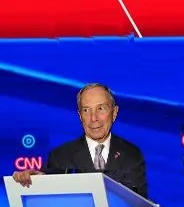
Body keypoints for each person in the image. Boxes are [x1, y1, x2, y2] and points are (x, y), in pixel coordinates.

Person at [12, 83, 149, 198]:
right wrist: (38, 181)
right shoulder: (60, 156)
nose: (94, 118)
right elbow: (50, 195)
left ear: (114, 113)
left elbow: (141, 204)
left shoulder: (132, 154)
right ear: (80, 115)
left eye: (101, 108)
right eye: (86, 110)